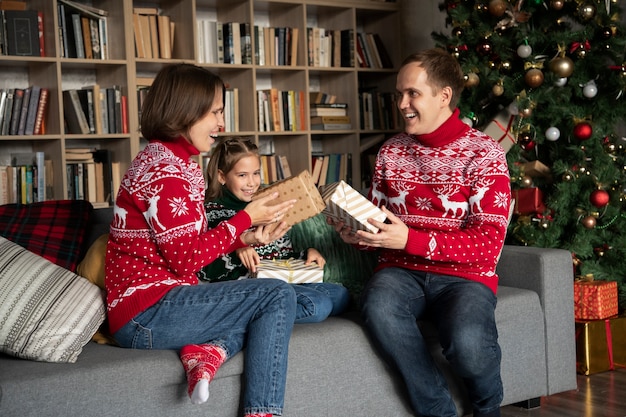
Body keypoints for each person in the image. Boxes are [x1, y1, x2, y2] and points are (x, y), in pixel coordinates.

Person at [105, 63, 299, 417]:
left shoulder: (180, 162)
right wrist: (244, 217)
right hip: (145, 313)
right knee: (278, 295)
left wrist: (246, 235)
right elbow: (185, 260)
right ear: (184, 111)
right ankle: (263, 412)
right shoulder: (163, 171)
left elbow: (188, 246)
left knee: (278, 301)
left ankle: (208, 352)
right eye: (215, 112)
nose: (221, 124)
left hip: (166, 299)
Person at [332, 49, 511, 417]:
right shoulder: (391, 152)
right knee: (378, 306)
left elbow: (488, 244)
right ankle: (438, 411)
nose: (402, 103)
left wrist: (410, 240)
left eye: (412, 93)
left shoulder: (484, 153)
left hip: (465, 276)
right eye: (399, 94)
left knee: (468, 346)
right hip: (400, 271)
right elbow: (380, 225)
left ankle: (487, 406)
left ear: (444, 96)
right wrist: (359, 235)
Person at [200, 137, 350, 323]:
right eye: (242, 175)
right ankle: (246, 319)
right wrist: (237, 248)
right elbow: (204, 270)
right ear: (222, 176)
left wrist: (305, 255)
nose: (252, 182)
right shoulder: (212, 212)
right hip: (248, 290)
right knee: (317, 305)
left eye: (256, 173)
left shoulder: (268, 205)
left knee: (340, 295)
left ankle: (271, 311)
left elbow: (278, 257)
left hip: (280, 282)